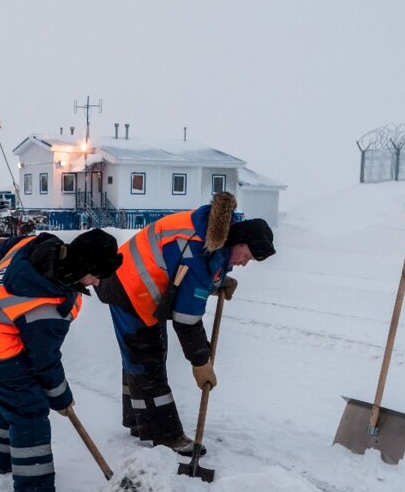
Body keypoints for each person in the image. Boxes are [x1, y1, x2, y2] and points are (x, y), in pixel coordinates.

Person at [95, 193, 276, 457]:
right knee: (147, 357)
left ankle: (138, 419)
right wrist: (200, 362)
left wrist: (217, 280)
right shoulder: (200, 253)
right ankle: (165, 436)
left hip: (134, 279)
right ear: (239, 240)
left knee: (143, 356)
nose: (243, 263)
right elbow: (186, 319)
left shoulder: (217, 233)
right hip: (130, 286)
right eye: (246, 256)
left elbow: (189, 266)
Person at [0, 229, 123, 492]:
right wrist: (60, 397)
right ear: (82, 266)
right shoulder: (48, 304)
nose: (96, 283)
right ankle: (33, 490)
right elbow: (44, 360)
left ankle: (6, 461)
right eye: (95, 275)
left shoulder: (38, 246)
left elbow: (4, 249)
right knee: (30, 410)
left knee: (10, 399)